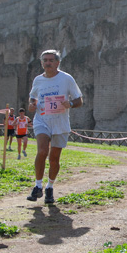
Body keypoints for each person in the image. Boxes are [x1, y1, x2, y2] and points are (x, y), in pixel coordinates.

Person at [27, 49, 83, 205]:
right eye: (45, 60)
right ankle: (37, 186)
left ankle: (49, 187)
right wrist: (31, 105)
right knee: (42, 151)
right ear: (42, 63)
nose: (48, 63)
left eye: (51, 60)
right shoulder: (38, 80)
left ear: (57, 63)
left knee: (54, 158)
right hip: (42, 120)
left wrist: (70, 103)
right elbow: (33, 97)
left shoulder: (66, 79)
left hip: (60, 122)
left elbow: (79, 100)